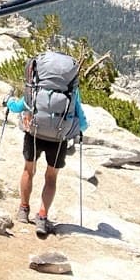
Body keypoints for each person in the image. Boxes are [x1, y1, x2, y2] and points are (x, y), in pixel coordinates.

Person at [8, 92, 89, 236]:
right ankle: (42, 217)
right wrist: (79, 127)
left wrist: (9, 102)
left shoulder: (38, 83)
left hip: (34, 133)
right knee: (51, 177)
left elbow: (19, 106)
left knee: (28, 171)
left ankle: (23, 210)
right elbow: (82, 123)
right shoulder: (71, 87)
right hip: (58, 137)